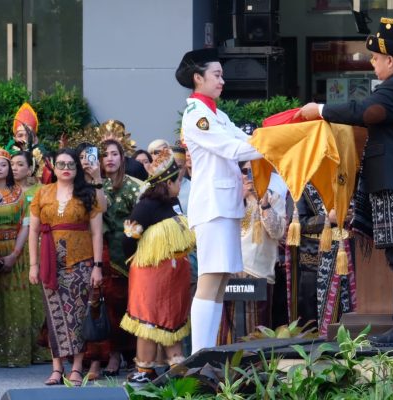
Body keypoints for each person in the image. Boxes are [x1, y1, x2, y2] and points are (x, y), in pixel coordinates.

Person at [296, 17, 393, 345]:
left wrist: (319, 109)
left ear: (390, 59)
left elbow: (363, 112)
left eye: (375, 58)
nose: (373, 64)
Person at [176, 47, 263, 353]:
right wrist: (277, 148)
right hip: (212, 205)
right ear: (198, 78)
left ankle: (207, 350)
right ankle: (200, 353)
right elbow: (234, 150)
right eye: (216, 74)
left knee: (221, 279)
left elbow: (247, 141)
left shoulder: (218, 114)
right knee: (210, 278)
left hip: (225, 205)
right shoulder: (196, 116)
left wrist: (275, 138)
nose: (222, 80)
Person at [28, 149, 103, 386]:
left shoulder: (87, 193)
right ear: (54, 167)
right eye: (61, 164)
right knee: (54, 315)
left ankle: (78, 367)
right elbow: (33, 230)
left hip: (81, 261)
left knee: (78, 316)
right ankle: (57, 368)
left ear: (77, 167)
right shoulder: (43, 192)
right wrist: (33, 264)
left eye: (70, 163)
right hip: (51, 262)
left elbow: (97, 232)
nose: (65, 168)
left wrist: (97, 266)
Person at [120, 148, 195, 383]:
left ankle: (177, 367)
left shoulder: (173, 204)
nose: (180, 185)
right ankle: (145, 370)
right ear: (167, 182)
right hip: (151, 274)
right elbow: (128, 238)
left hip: (175, 274)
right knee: (149, 321)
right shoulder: (147, 206)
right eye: (178, 180)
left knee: (173, 319)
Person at [84, 139, 141, 379]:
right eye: (105, 154)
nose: (109, 158)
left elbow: (140, 221)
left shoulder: (134, 186)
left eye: (114, 154)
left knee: (129, 305)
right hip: (99, 251)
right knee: (105, 305)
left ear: (122, 157)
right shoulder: (92, 185)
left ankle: (132, 355)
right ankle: (110, 354)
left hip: (129, 251)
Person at [0, 148, 46, 367]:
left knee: (16, 302)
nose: (0, 168)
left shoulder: (21, 194)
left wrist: (14, 254)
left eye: (4, 164)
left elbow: (26, 226)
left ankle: (18, 353)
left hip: (16, 249)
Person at [219, 163, 288, 343]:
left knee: (256, 327)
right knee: (226, 327)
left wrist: (264, 205)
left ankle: (255, 367)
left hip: (257, 271)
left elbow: (278, 232)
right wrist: (237, 199)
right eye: (243, 171)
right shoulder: (226, 198)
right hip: (228, 268)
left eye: (253, 172)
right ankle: (225, 368)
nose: (248, 176)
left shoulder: (273, 197)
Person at [286, 183, 355, 337]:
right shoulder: (300, 184)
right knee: (311, 312)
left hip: (345, 255)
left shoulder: (343, 181)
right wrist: (327, 219)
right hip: (313, 260)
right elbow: (296, 223)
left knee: (346, 306)